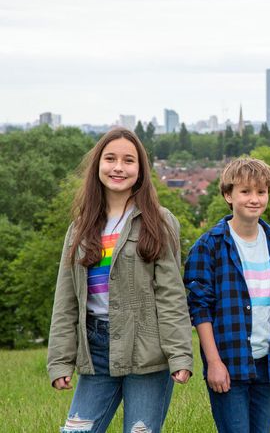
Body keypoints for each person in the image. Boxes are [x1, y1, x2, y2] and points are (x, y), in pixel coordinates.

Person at [47, 127, 193, 433]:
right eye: (110, 158)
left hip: (148, 351)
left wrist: (180, 355)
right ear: (98, 165)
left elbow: (170, 294)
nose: (118, 167)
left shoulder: (159, 222)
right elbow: (67, 299)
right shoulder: (80, 228)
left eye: (128, 160)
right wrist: (60, 360)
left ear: (140, 170)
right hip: (97, 350)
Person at [184, 157, 270, 433]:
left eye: (261, 191)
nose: (254, 199)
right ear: (228, 195)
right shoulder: (209, 246)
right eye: (245, 192)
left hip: (266, 364)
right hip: (229, 363)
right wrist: (213, 363)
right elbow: (200, 309)